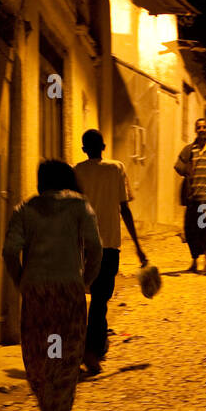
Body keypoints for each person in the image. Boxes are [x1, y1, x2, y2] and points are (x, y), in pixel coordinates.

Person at [3, 160, 102, 411]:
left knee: (38, 359)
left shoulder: (24, 209)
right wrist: (85, 281)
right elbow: (96, 248)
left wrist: (22, 281)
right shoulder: (79, 207)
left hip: (37, 295)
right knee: (66, 361)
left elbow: (9, 251)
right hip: (68, 293)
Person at [75, 129, 147, 375]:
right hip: (108, 247)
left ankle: (92, 347)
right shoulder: (116, 169)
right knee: (99, 301)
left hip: (84, 246)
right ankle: (91, 352)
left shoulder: (77, 171)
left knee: (90, 299)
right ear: (104, 146)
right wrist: (138, 247)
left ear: (84, 149)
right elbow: (124, 208)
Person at [175, 117, 206, 274]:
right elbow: (178, 166)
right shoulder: (190, 149)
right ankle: (195, 261)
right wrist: (186, 169)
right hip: (192, 198)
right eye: (199, 127)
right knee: (190, 230)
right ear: (195, 130)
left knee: (205, 229)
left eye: (204, 127)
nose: (202, 130)